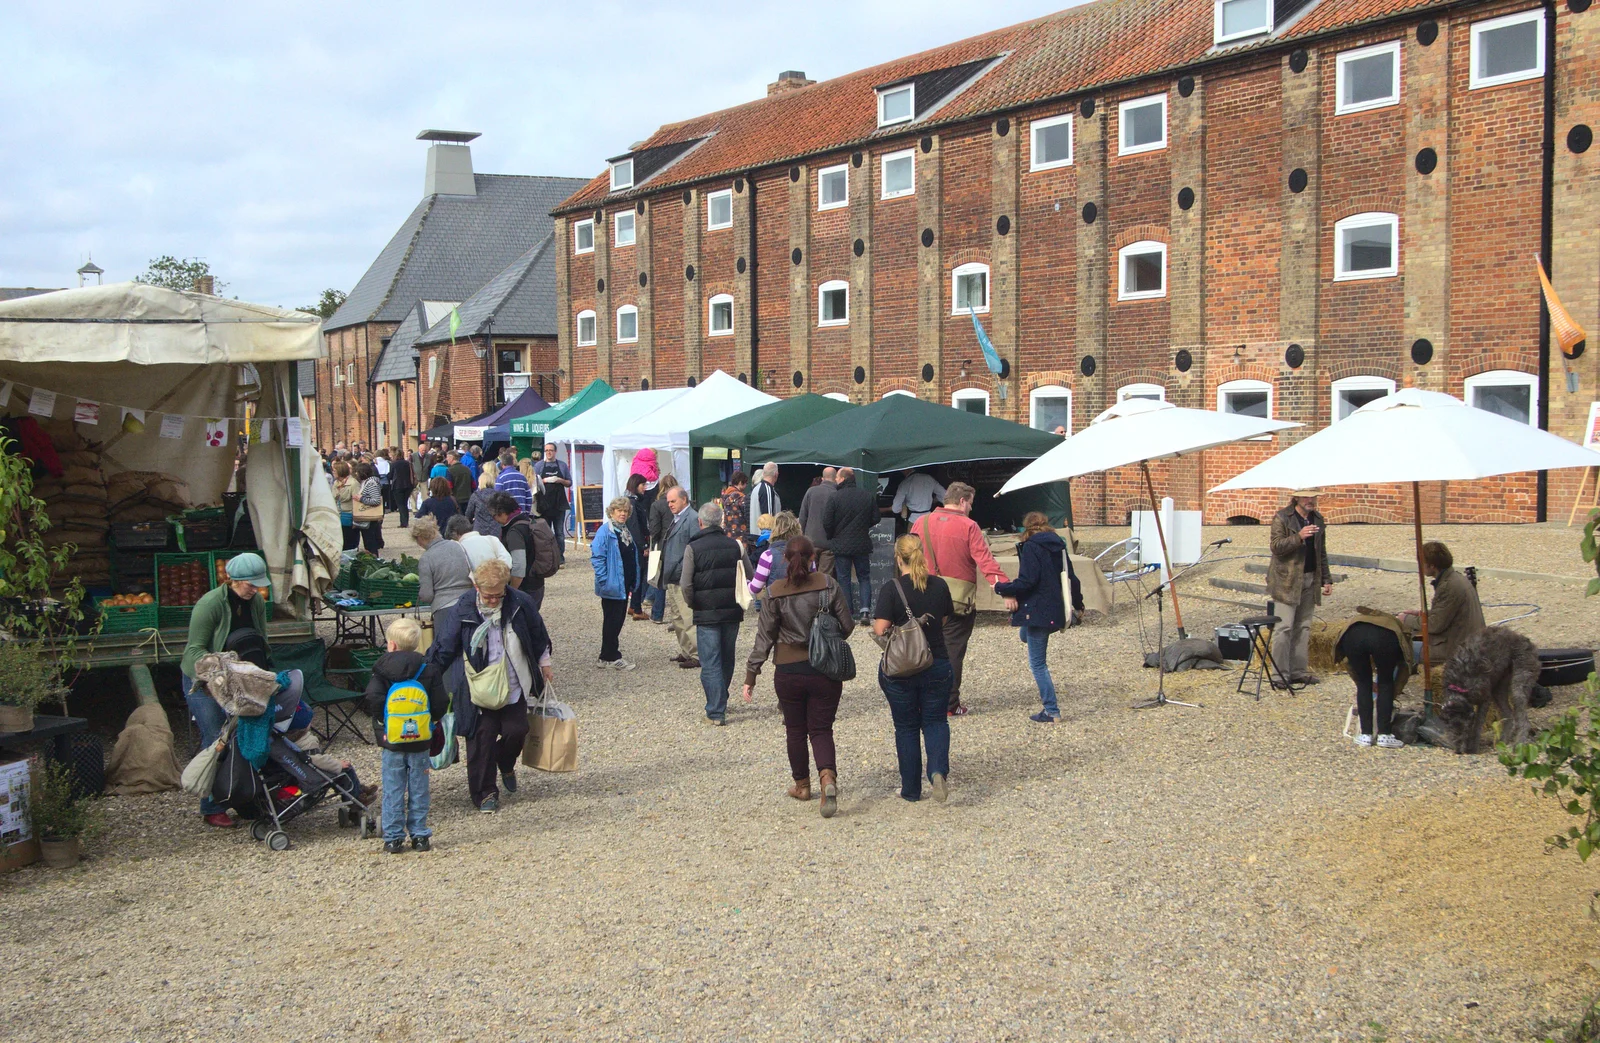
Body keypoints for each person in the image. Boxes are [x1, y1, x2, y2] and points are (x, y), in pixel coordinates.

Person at [428, 558, 553, 813]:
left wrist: (545, 664)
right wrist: (425, 677)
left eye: (499, 595)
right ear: (477, 588)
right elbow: (444, 646)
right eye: (489, 596)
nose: (494, 600)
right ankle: (484, 794)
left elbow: (538, 633)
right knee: (481, 738)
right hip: (477, 685)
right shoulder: (463, 607)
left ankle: (504, 761)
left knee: (517, 730)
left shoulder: (519, 602)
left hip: (513, 681)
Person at [742, 536, 854, 814]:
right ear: (812, 558)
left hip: (788, 670)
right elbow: (848, 625)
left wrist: (751, 674)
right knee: (821, 728)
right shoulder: (829, 585)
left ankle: (802, 785)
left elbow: (764, 637)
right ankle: (827, 777)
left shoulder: (775, 591)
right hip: (825, 669)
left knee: (795, 729)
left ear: (785, 560)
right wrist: (825, 637)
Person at [180, 552, 271, 828]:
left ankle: (244, 798)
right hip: (203, 681)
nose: (255, 589)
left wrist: (265, 673)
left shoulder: (255, 602)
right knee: (216, 737)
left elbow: (261, 640)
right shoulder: (209, 605)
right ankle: (210, 806)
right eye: (250, 584)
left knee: (245, 736)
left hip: (239, 678)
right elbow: (195, 650)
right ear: (233, 580)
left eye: (258, 584)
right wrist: (218, 673)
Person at [912, 483, 1010, 716]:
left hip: (923, 594)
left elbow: (908, 559)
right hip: (957, 600)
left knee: (921, 648)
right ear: (963, 501)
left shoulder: (920, 523)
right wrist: (1005, 589)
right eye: (971, 504)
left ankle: (920, 699)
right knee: (952, 651)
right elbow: (986, 563)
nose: (971, 509)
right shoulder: (969, 526)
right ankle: (948, 704)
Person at [873, 535, 955, 802]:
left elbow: (880, 629)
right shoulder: (940, 586)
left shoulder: (891, 588)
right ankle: (937, 772)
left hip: (901, 669)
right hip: (936, 661)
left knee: (906, 727)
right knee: (935, 721)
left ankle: (910, 789)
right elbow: (943, 620)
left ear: (898, 559)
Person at [362, 617, 450, 853]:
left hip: (391, 740)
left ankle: (393, 837)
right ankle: (420, 835)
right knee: (419, 787)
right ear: (417, 644)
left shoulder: (381, 669)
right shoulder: (428, 669)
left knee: (393, 788)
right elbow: (441, 702)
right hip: (420, 740)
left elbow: (372, 696)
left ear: (391, 645)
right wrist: (430, 720)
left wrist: (384, 721)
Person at [993, 512, 1083, 723]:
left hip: (1037, 611)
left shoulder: (1032, 547)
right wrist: (1079, 605)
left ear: (1027, 529)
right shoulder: (1058, 546)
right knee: (1026, 635)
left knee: (1037, 664)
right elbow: (1072, 577)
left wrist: (1001, 588)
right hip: (1053, 610)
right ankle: (1051, 709)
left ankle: (1052, 710)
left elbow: (1027, 581)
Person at [680, 501, 745, 725]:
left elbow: (685, 583)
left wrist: (694, 603)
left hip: (706, 610)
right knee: (727, 658)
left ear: (700, 522)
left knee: (710, 661)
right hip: (731, 609)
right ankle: (721, 698)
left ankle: (716, 710)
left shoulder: (693, 548)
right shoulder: (736, 546)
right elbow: (749, 574)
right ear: (721, 521)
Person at [1267, 489, 1334, 686]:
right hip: (1287, 580)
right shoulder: (1282, 517)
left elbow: (1321, 551)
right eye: (1306, 497)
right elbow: (1276, 546)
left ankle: (1298, 671)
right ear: (1296, 498)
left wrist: (1326, 579)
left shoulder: (1318, 519)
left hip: (1310, 578)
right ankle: (1279, 675)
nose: (1310, 500)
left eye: (1313, 497)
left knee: (1303, 627)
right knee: (1284, 627)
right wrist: (1299, 537)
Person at [1328, 607, 1414, 749]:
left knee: (1363, 684)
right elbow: (1405, 668)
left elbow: (1349, 665)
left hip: (1352, 637)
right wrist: (1395, 691)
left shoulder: (1358, 621)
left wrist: (1361, 680)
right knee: (1386, 681)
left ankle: (1365, 735)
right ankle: (1384, 735)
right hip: (1383, 639)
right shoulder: (1397, 630)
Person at [1400, 541, 1486, 669]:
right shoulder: (1456, 578)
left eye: (1422, 564)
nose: (1420, 567)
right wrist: (1420, 614)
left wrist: (1406, 619)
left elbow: (1435, 625)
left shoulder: (1448, 586)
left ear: (1432, 566)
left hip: (1458, 647)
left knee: (1398, 649)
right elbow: (1447, 612)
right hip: (1471, 641)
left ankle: (1382, 688)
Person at [822, 466, 879, 622]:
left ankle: (848, 612)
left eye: (837, 478)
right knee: (864, 577)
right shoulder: (866, 496)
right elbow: (876, 518)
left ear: (842, 479)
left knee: (843, 578)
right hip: (861, 542)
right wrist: (863, 525)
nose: (835, 480)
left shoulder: (835, 497)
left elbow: (827, 522)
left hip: (841, 544)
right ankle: (865, 611)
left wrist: (832, 536)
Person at [590, 496, 639, 671]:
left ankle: (606, 655)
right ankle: (611, 656)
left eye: (625, 511)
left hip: (623, 583)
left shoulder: (624, 530)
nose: (623, 514)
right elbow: (597, 556)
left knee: (617, 620)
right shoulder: (605, 531)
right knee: (612, 620)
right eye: (619, 511)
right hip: (613, 585)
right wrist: (604, 581)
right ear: (612, 512)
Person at [492, 490, 558, 612]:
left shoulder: (514, 532)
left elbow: (519, 566)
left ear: (501, 513)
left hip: (525, 587)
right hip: (537, 582)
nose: (494, 519)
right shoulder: (526, 521)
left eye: (494, 515)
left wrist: (511, 591)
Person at [660, 484, 701, 666]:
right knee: (677, 618)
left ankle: (697, 654)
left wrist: (686, 572)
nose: (670, 504)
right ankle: (686, 650)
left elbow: (695, 547)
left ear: (684, 499)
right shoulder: (676, 518)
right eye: (668, 501)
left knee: (688, 617)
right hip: (672, 575)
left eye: (673, 501)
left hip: (682, 576)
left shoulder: (692, 519)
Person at [413, 516, 473, 622]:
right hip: (468, 602)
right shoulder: (459, 546)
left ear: (421, 538)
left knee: (446, 638)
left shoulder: (426, 558)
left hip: (444, 607)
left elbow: (427, 595)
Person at [645, 474, 682, 624]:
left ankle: (657, 614)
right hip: (679, 543)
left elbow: (654, 529)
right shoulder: (683, 503)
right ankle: (678, 617)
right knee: (678, 580)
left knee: (660, 580)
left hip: (662, 545)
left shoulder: (657, 505)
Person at [534, 443, 573, 564]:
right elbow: (533, 483)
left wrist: (560, 480)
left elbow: (569, 482)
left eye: (551, 450)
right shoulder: (539, 466)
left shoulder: (562, 465)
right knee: (545, 532)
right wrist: (544, 481)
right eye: (546, 451)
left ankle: (560, 557)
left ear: (555, 452)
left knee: (559, 533)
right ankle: (547, 557)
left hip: (559, 504)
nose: (549, 453)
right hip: (544, 505)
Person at [748, 511, 803, 596]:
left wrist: (745, 582)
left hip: (777, 605)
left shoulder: (767, 556)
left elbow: (754, 589)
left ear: (774, 530)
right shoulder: (806, 553)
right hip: (802, 605)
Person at [798, 465, 838, 576]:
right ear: (835, 479)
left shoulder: (810, 492)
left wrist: (802, 538)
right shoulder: (836, 494)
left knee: (809, 575)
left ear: (822, 478)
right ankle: (823, 594)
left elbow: (802, 517)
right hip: (829, 543)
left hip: (810, 542)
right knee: (824, 578)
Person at [625, 474, 654, 620]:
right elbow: (635, 527)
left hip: (633, 544)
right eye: (643, 485)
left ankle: (633, 606)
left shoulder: (630, 501)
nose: (645, 488)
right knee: (639, 575)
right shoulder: (633, 503)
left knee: (638, 574)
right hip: (637, 545)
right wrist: (644, 546)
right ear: (636, 485)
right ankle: (636, 608)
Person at [448, 513, 513, 574]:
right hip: (499, 582)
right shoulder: (492, 540)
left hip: (474, 584)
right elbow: (507, 562)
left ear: (454, 533)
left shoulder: (457, 548)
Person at [353, 461, 385, 553]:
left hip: (370, 519)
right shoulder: (367, 482)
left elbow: (376, 500)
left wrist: (361, 498)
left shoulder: (371, 483)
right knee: (369, 544)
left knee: (370, 544)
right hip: (368, 520)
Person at [465, 469, 503, 538]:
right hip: (495, 530)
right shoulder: (498, 496)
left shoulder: (475, 495)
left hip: (479, 530)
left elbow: (468, 514)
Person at [494, 449, 534, 515]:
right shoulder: (522, 477)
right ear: (513, 462)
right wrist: (526, 513)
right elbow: (528, 497)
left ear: (502, 464)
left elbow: (498, 498)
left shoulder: (500, 478)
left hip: (507, 515)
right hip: (521, 513)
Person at [720, 470, 752, 550]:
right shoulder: (741, 497)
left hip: (728, 535)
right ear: (740, 482)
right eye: (745, 483)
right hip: (741, 535)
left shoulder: (725, 496)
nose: (746, 486)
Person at [331, 460, 358, 551]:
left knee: (349, 545)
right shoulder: (335, 483)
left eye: (334, 470)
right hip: (338, 516)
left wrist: (356, 519)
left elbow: (357, 503)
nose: (333, 472)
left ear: (340, 471)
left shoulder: (353, 483)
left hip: (349, 517)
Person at [749, 462, 781, 535]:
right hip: (765, 538)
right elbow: (768, 519)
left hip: (756, 535)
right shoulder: (767, 489)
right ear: (776, 474)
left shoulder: (756, 488)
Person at [389, 449, 414, 528]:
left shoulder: (394, 464)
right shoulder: (407, 463)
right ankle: (405, 521)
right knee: (405, 503)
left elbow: (390, 475)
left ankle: (403, 522)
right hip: (408, 485)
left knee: (400, 504)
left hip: (397, 486)